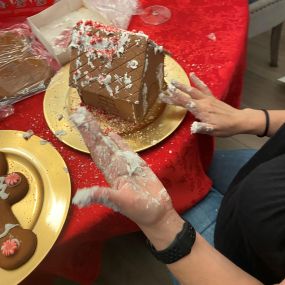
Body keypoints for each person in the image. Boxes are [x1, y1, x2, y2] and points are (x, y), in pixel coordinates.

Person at [71, 72, 285, 285]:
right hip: (263, 171)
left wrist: (163, 226)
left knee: (175, 182)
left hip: (245, 262)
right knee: (189, 166)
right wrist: (252, 119)